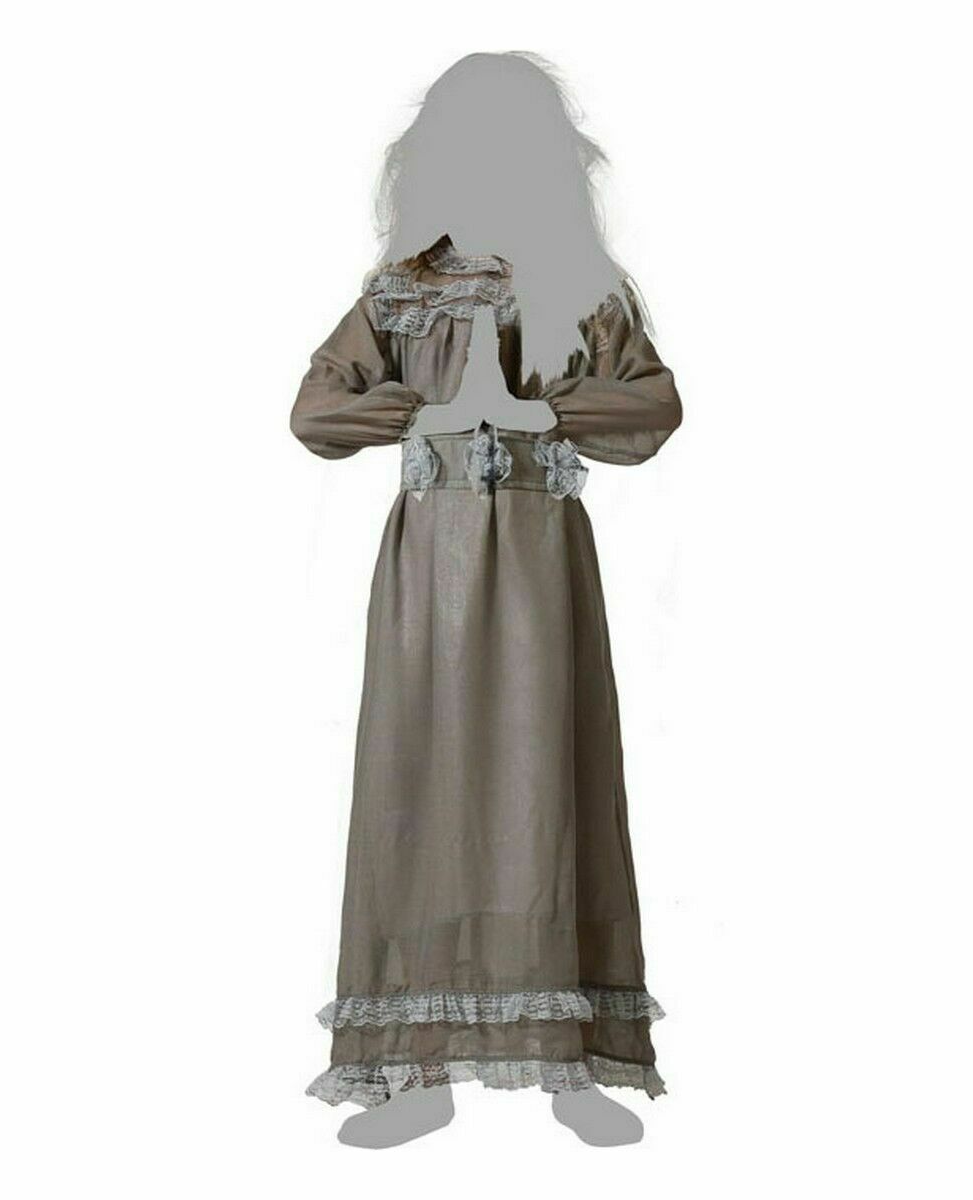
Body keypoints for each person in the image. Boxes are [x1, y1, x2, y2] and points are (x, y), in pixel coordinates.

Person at [290, 51, 682, 1148]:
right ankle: (418, 1069)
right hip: (431, 565)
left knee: (545, 782)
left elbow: (654, 407)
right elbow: (316, 413)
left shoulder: (582, 287)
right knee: (420, 787)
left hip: (541, 561)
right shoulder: (401, 292)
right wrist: (419, 413)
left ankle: (567, 1060)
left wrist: (544, 415)